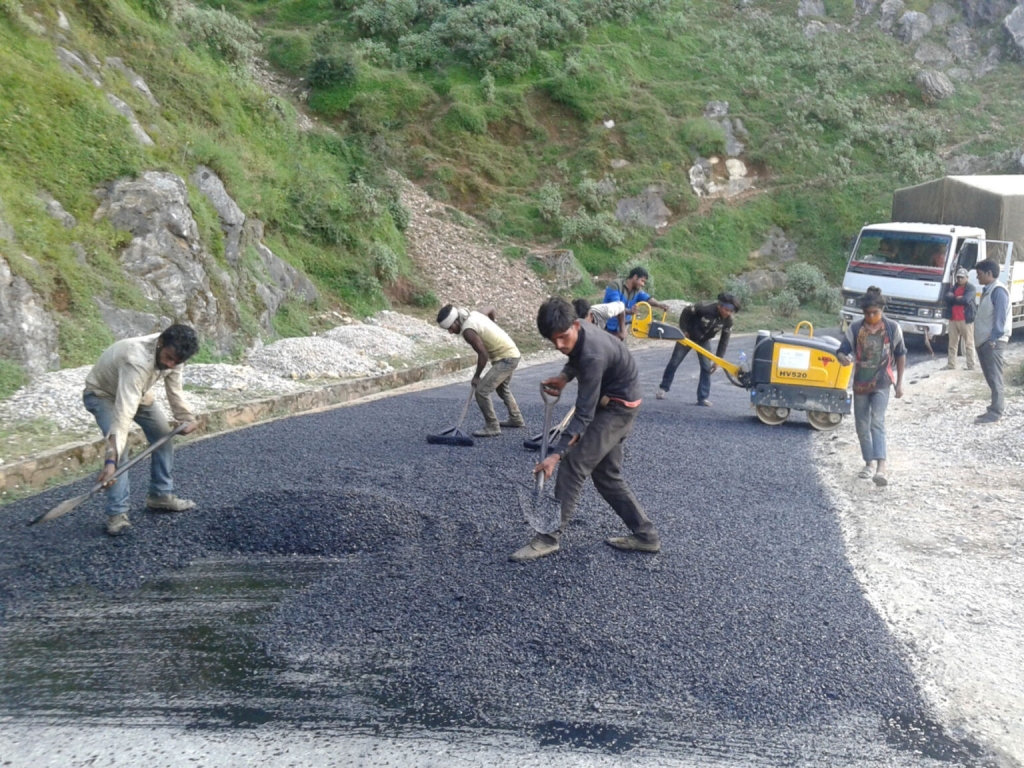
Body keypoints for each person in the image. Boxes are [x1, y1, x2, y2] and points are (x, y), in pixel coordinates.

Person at [510, 297, 660, 562]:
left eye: (563, 337)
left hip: (618, 407)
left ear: (575, 325)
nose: (559, 345)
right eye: (553, 340)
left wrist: (556, 455)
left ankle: (548, 537)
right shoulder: (578, 328)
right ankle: (646, 536)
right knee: (606, 475)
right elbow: (574, 354)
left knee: (573, 465)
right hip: (615, 399)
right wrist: (564, 376)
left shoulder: (592, 354)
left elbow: (583, 415)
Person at [84, 325, 201, 536]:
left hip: (138, 393)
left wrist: (186, 417)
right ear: (160, 343)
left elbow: (175, 390)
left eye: (176, 362)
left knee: (163, 435)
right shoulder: (136, 360)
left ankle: (160, 495)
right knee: (121, 449)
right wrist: (111, 461)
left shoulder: (175, 354)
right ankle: (117, 514)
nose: (170, 364)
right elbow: (123, 416)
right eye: (168, 358)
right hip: (102, 394)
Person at [836, 288, 906, 487]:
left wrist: (899, 383)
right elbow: (842, 350)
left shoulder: (892, 328)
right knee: (861, 424)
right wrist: (842, 358)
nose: (871, 317)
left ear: (882, 310)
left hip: (883, 382)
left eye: (875, 313)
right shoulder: (855, 328)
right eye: (867, 313)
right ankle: (868, 462)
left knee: (877, 420)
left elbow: (900, 354)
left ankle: (881, 467)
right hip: (860, 383)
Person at [437, 304, 524, 437]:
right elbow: (491, 308)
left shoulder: (468, 331)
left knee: (481, 391)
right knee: (502, 389)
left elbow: (483, 354)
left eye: (450, 328)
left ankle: (492, 426)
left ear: (456, 321)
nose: (450, 332)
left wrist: (477, 376)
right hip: (512, 353)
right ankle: (516, 419)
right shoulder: (475, 314)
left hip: (506, 358)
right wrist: (493, 325)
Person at [656, 292, 739, 405]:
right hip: (688, 337)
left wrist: (718, 359)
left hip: (704, 341)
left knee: (706, 367)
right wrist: (684, 330)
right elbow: (686, 311)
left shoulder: (728, 320)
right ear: (720, 305)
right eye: (726, 310)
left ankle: (702, 398)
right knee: (674, 362)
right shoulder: (704, 307)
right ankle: (663, 388)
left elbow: (724, 340)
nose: (728, 313)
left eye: (730, 311)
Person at [973, 259, 1011, 424]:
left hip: (993, 342)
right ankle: (993, 409)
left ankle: (996, 412)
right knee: (991, 377)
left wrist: (993, 339)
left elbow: (1000, 318)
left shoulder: (998, 291)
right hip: (986, 341)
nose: (977, 277)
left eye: (979, 274)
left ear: (989, 273)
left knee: (995, 378)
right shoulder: (990, 290)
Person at [602, 267, 669, 336]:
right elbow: (617, 307)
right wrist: (630, 311)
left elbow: (647, 298)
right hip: (607, 326)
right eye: (642, 281)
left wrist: (659, 304)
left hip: (623, 327)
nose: (643, 284)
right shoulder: (616, 285)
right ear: (635, 277)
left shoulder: (637, 290)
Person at [943, 267, 976, 371]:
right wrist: (957, 298)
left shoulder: (971, 288)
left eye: (962, 277)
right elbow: (947, 298)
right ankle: (951, 364)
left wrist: (954, 298)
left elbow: (966, 300)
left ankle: (971, 365)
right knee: (952, 344)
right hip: (953, 319)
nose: (960, 279)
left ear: (967, 277)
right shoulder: (954, 287)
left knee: (969, 343)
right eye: (958, 277)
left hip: (965, 319)